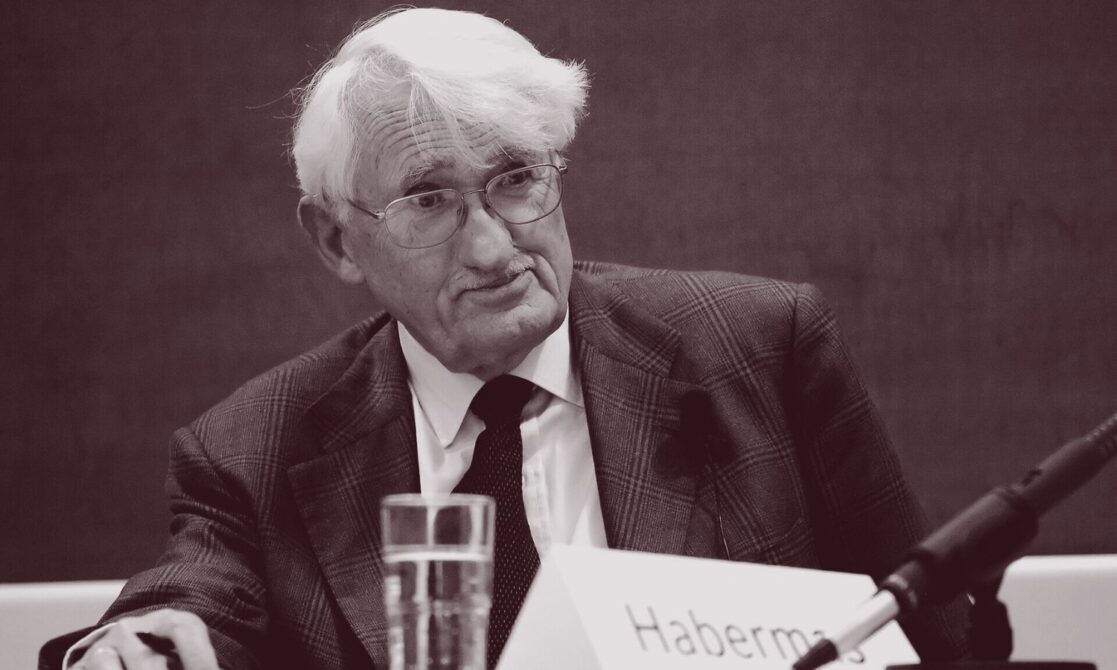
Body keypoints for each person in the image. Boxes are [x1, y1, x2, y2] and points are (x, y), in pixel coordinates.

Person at [43, 7, 969, 670]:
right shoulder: (253, 449)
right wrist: (137, 642)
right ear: (336, 241)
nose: (492, 247)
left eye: (517, 178)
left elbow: (932, 631)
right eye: (428, 200)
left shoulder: (759, 349)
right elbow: (190, 597)